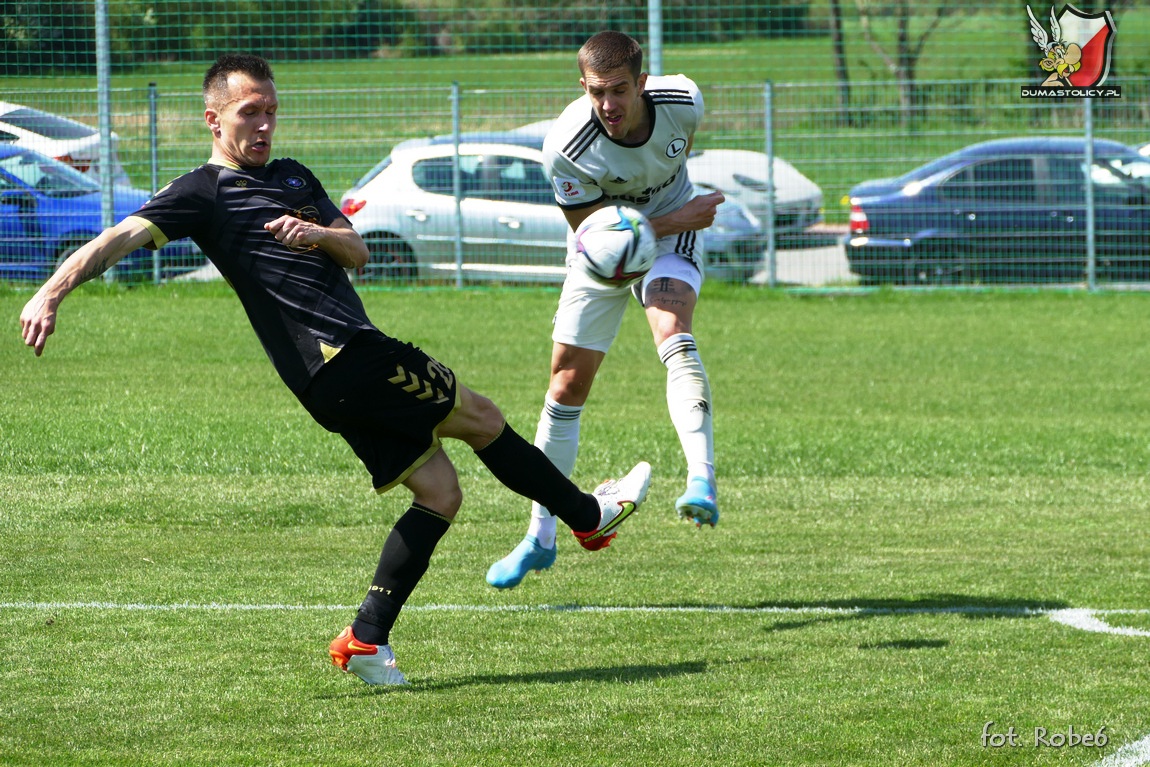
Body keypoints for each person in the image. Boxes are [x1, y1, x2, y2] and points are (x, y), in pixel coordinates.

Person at [18, 53, 651, 686]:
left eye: (271, 111)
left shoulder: (294, 177)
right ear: (214, 120)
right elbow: (116, 239)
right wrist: (51, 292)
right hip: (345, 355)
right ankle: (588, 519)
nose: (265, 125)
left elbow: (358, 251)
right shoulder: (202, 192)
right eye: (249, 113)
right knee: (481, 418)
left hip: (331, 382)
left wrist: (314, 233)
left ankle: (366, 640)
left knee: (440, 494)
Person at [486, 31, 722, 590]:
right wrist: (676, 218)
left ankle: (701, 481)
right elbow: (593, 233)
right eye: (597, 92)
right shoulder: (566, 146)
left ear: (643, 83)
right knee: (565, 386)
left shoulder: (684, 104)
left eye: (619, 90)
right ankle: (539, 537)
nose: (609, 105)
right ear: (583, 88)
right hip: (604, 250)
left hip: (668, 242)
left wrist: (668, 225)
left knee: (672, 328)